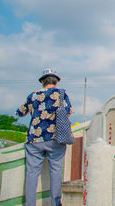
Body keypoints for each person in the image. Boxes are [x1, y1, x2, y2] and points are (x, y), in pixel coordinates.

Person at [16, 69, 73, 206]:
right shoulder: (61, 93)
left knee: (32, 173)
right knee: (56, 171)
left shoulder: (33, 95)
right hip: (55, 138)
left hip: (34, 139)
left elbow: (20, 112)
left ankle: (30, 204)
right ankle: (55, 203)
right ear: (57, 81)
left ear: (42, 81)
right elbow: (68, 112)